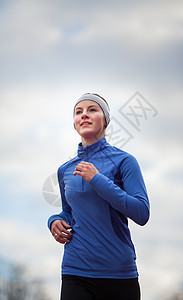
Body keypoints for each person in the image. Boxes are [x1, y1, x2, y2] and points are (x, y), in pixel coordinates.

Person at [47, 93, 150, 300]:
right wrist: (55, 221)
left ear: (105, 120)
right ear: (75, 123)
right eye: (78, 112)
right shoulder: (64, 170)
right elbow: (70, 212)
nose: (84, 115)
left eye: (92, 109)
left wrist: (97, 179)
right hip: (75, 270)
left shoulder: (125, 161)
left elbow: (141, 213)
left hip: (118, 273)